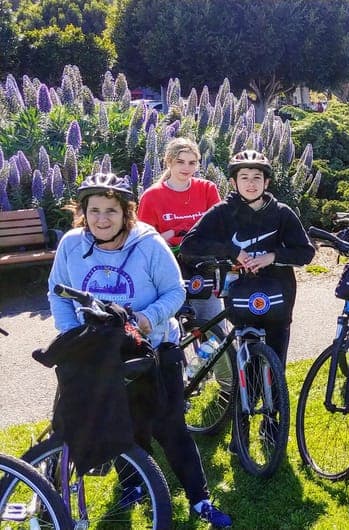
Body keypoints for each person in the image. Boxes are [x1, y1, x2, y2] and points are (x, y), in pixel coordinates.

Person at [47, 172, 232, 527]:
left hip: (154, 346)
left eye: (111, 211)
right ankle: (134, 484)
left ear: (126, 213)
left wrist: (147, 319)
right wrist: (74, 336)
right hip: (101, 351)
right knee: (121, 424)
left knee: (169, 425)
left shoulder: (148, 244)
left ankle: (199, 498)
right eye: (94, 210)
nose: (102, 219)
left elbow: (176, 291)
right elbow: (58, 292)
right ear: (83, 212)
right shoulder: (72, 244)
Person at [179, 149, 316, 367]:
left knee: (275, 364)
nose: (250, 184)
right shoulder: (222, 212)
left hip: (279, 294)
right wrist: (232, 251)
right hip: (239, 292)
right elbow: (189, 245)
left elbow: (306, 253)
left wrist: (273, 256)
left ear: (267, 182)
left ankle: (276, 399)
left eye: (257, 178)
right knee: (246, 360)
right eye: (244, 178)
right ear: (233, 182)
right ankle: (246, 399)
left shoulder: (281, 213)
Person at [138, 137, 223, 325]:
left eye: (192, 163)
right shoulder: (152, 196)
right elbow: (142, 241)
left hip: (202, 265)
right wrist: (165, 237)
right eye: (180, 162)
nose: (186, 168)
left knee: (212, 324)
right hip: (169, 266)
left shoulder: (207, 189)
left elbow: (219, 226)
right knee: (171, 326)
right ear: (168, 162)